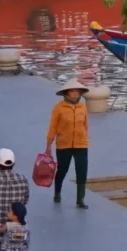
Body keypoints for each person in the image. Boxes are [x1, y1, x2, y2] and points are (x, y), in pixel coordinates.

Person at [44, 78, 91, 207]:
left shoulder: (83, 107)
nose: (75, 93)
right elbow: (52, 126)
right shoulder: (59, 108)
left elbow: (85, 125)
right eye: (72, 91)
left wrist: (86, 139)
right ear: (67, 92)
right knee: (62, 170)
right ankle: (57, 192)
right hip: (63, 144)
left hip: (81, 144)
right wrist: (49, 145)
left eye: (77, 91)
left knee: (82, 171)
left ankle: (80, 200)